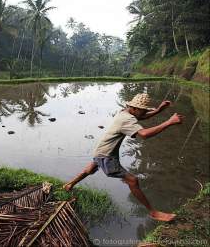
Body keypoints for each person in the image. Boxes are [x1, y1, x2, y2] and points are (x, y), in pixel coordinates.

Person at [63, 93, 184, 222]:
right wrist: (169, 122)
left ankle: (69, 185)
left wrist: (159, 110)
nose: (144, 113)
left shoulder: (124, 112)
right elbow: (144, 134)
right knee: (133, 181)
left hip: (101, 150)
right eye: (142, 111)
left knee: (90, 169)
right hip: (107, 155)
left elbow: (141, 117)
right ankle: (153, 213)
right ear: (134, 109)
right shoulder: (127, 119)